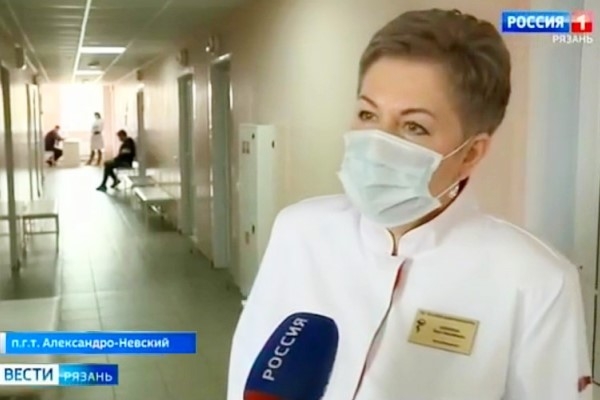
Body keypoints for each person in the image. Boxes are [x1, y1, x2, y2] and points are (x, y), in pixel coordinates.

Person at [228, 9, 591, 400]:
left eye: (414, 126)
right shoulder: (300, 231)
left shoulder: (535, 280)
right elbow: (249, 369)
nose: (376, 144)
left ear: (471, 153)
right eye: (368, 114)